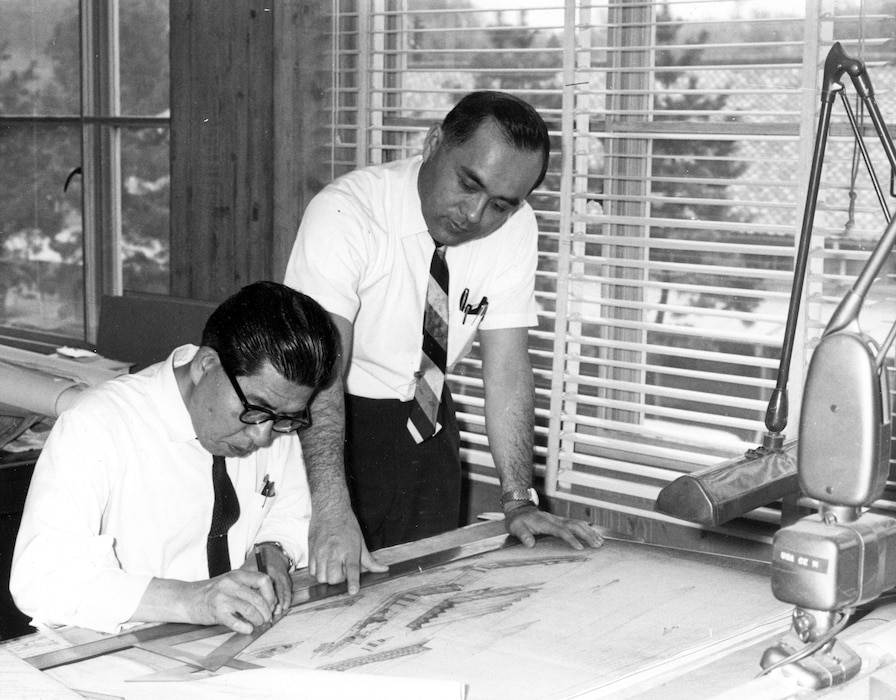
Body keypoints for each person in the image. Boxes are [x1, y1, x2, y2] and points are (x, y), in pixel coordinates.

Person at [285, 90, 603, 587]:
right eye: (468, 184)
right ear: (434, 142)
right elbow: (318, 372)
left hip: (427, 422)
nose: (475, 215)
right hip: (335, 422)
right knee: (328, 603)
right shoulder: (346, 212)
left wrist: (519, 499)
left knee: (421, 596)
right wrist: (328, 508)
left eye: (500, 204)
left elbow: (507, 368)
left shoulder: (515, 229)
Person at [10, 281, 339, 635]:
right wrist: (194, 599)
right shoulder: (98, 423)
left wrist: (272, 552)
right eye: (256, 411)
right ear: (206, 365)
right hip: (125, 654)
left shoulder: (271, 417)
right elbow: (40, 578)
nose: (263, 435)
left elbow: (292, 509)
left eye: (285, 418)